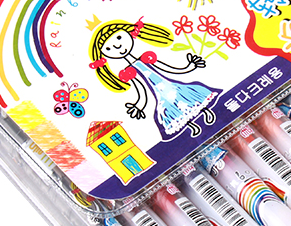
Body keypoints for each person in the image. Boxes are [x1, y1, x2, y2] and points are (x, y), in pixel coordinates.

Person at [89, 18, 220, 139]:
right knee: (174, 112)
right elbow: (142, 90)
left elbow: (168, 69)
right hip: (160, 96)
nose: (117, 46)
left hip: (172, 86)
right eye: (108, 48)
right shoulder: (128, 72)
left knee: (189, 98)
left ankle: (206, 112)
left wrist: (189, 67)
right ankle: (192, 126)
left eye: (119, 37)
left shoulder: (147, 58)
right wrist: (139, 106)